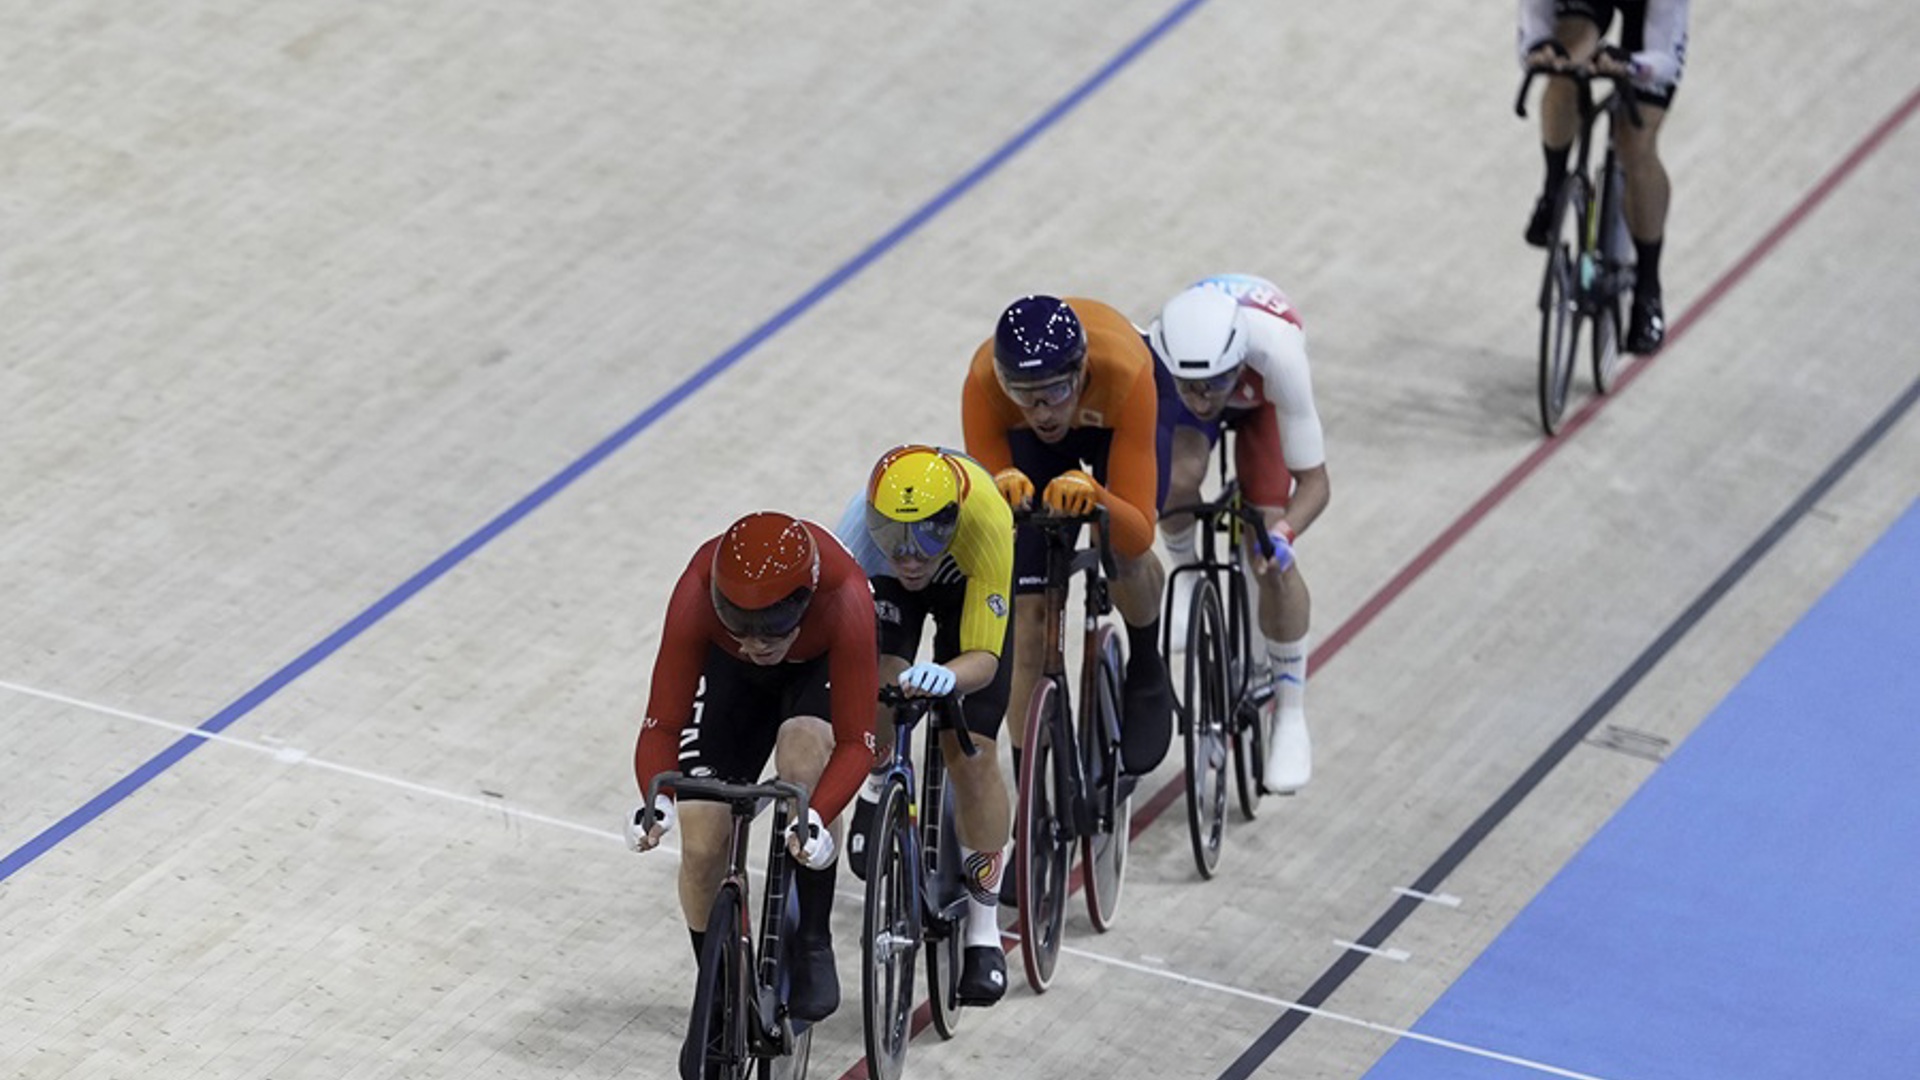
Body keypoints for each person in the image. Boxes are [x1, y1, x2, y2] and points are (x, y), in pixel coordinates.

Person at [625, 510, 878, 1039]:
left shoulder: (846, 595)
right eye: (739, 623)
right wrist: (657, 800)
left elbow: (858, 744)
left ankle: (812, 938)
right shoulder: (697, 587)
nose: (757, 642)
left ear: (802, 604)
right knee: (700, 844)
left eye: (772, 628)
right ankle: (717, 990)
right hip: (732, 681)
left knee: (802, 763)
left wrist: (818, 816)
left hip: (815, 671)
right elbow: (661, 722)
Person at [962, 295, 1174, 788]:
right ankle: (1031, 786)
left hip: (1117, 422)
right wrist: (1000, 488)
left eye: (1055, 390)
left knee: (1124, 551)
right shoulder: (984, 384)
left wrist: (1097, 495)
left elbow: (1139, 529)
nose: (1041, 410)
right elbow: (989, 507)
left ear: (1079, 373)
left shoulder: (1124, 373)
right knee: (1027, 619)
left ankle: (1146, 663)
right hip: (1039, 454)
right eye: (1023, 393)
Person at [836, 443, 1017, 1004]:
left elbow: (984, 662)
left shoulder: (985, 520)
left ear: (952, 522)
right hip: (890, 592)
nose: (910, 556)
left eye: (925, 541)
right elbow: (837, 637)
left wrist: (947, 673)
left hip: (968, 583)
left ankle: (984, 933)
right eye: (895, 539)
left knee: (973, 754)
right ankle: (876, 780)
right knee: (880, 683)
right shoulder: (859, 537)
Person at [1147, 275, 1327, 793]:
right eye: (1192, 388)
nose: (1203, 400)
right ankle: (1185, 568)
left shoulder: (1279, 353)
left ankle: (1290, 712)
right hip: (1201, 378)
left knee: (1268, 546)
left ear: (1239, 360)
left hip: (1261, 404)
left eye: (1214, 386)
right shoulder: (1159, 353)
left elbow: (1315, 482)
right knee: (1176, 478)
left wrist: (1285, 533)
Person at [1519, 0, 1690, 355]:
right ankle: (1553, 189)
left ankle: (1647, 289)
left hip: (1649, 17)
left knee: (1634, 142)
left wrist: (1633, 64)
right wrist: (1538, 50)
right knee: (1563, 66)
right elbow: (1534, 19)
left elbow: (1665, 60)